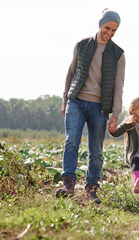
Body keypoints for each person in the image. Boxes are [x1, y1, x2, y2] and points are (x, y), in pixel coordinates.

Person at [56, 9, 125, 204]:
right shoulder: (82, 45)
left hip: (99, 108)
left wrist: (116, 113)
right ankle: (68, 183)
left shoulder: (118, 54)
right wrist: (65, 99)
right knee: (71, 142)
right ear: (100, 24)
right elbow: (70, 73)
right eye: (107, 28)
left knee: (96, 150)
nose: (110, 32)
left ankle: (91, 188)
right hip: (76, 102)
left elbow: (118, 86)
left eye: (114, 30)